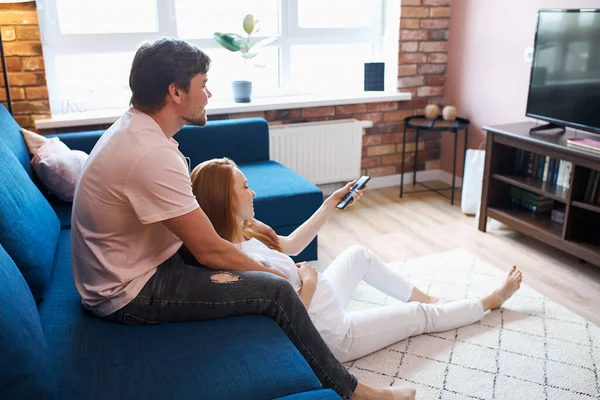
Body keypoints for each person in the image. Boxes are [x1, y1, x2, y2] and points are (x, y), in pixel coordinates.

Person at [71, 38, 416, 400]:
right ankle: (352, 391)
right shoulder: (149, 153)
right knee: (277, 290)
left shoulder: (136, 131)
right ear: (175, 92)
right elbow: (209, 252)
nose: (209, 94)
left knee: (247, 254)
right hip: (129, 293)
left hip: (133, 267)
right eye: (202, 85)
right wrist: (281, 275)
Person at [189, 157, 524, 363]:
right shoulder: (235, 260)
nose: (254, 192)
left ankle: (430, 296)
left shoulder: (247, 229)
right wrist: (310, 283)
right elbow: (288, 325)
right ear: (226, 200)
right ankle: (488, 301)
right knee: (419, 318)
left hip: (325, 299)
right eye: (245, 187)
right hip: (332, 334)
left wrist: (331, 203)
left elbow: (291, 246)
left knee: (359, 255)